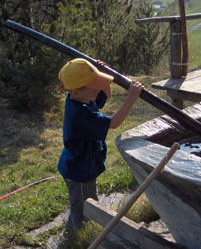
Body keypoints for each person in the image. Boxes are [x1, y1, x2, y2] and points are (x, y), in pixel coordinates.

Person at [57, 58, 144, 232]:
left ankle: (88, 229)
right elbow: (114, 123)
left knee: (91, 201)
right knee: (80, 209)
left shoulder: (82, 99)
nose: (97, 92)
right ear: (76, 91)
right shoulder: (80, 113)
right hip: (77, 170)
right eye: (94, 89)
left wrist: (99, 71)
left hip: (86, 166)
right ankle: (76, 237)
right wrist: (131, 97)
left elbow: (106, 94)